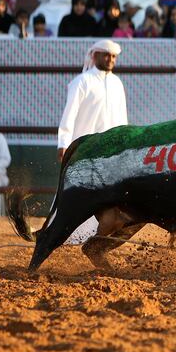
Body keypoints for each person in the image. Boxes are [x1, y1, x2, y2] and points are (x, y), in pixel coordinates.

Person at [57, 39, 127, 244]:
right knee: (79, 194)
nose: (110, 59)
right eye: (106, 55)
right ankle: (65, 236)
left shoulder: (117, 83)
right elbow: (68, 115)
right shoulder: (82, 82)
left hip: (111, 151)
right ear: (95, 56)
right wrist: (63, 143)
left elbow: (122, 120)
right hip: (84, 150)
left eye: (113, 56)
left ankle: (94, 238)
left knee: (105, 195)